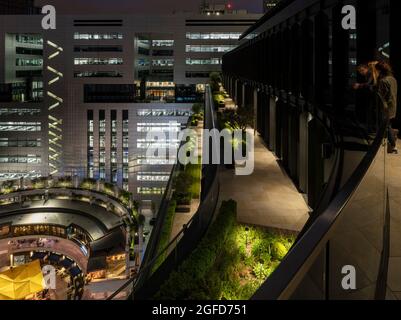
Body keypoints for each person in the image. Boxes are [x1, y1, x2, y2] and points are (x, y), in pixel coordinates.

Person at [375, 61, 398, 153]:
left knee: (386, 126)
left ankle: (393, 145)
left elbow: (381, 96)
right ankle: (390, 143)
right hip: (393, 106)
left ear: (380, 70)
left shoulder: (383, 81)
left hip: (385, 107)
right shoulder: (393, 79)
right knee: (388, 125)